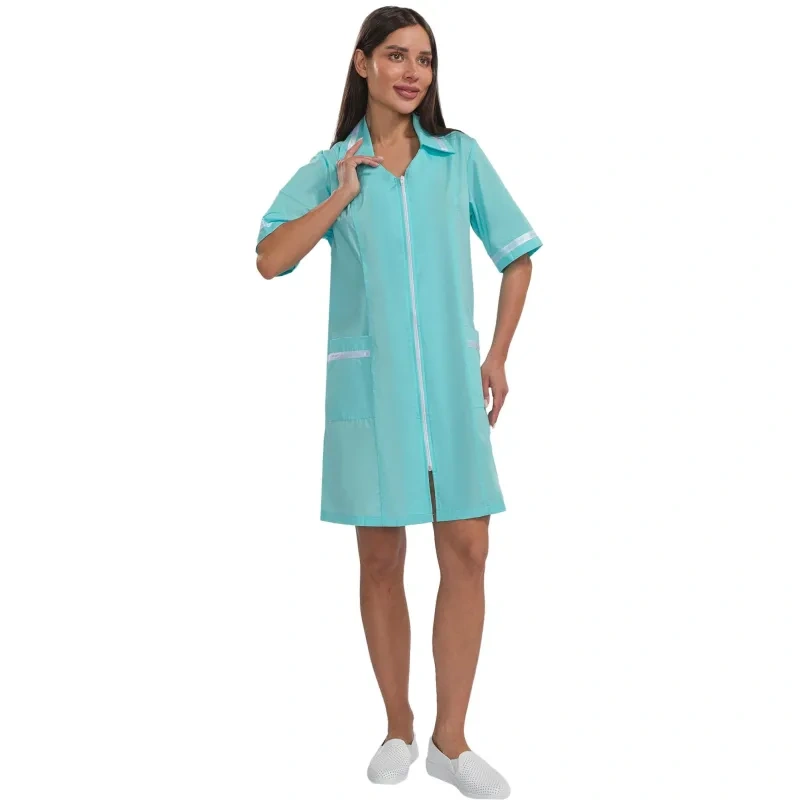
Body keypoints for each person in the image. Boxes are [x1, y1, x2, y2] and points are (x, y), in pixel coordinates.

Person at [255, 7, 542, 798]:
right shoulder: (331, 165)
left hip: (452, 389)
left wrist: (498, 355)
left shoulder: (460, 157)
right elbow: (270, 258)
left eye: (425, 59)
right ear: (363, 64)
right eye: (396, 56)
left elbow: (517, 256)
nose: (413, 72)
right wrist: (340, 195)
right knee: (381, 558)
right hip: (373, 389)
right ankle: (398, 726)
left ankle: (451, 742)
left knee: (469, 550)